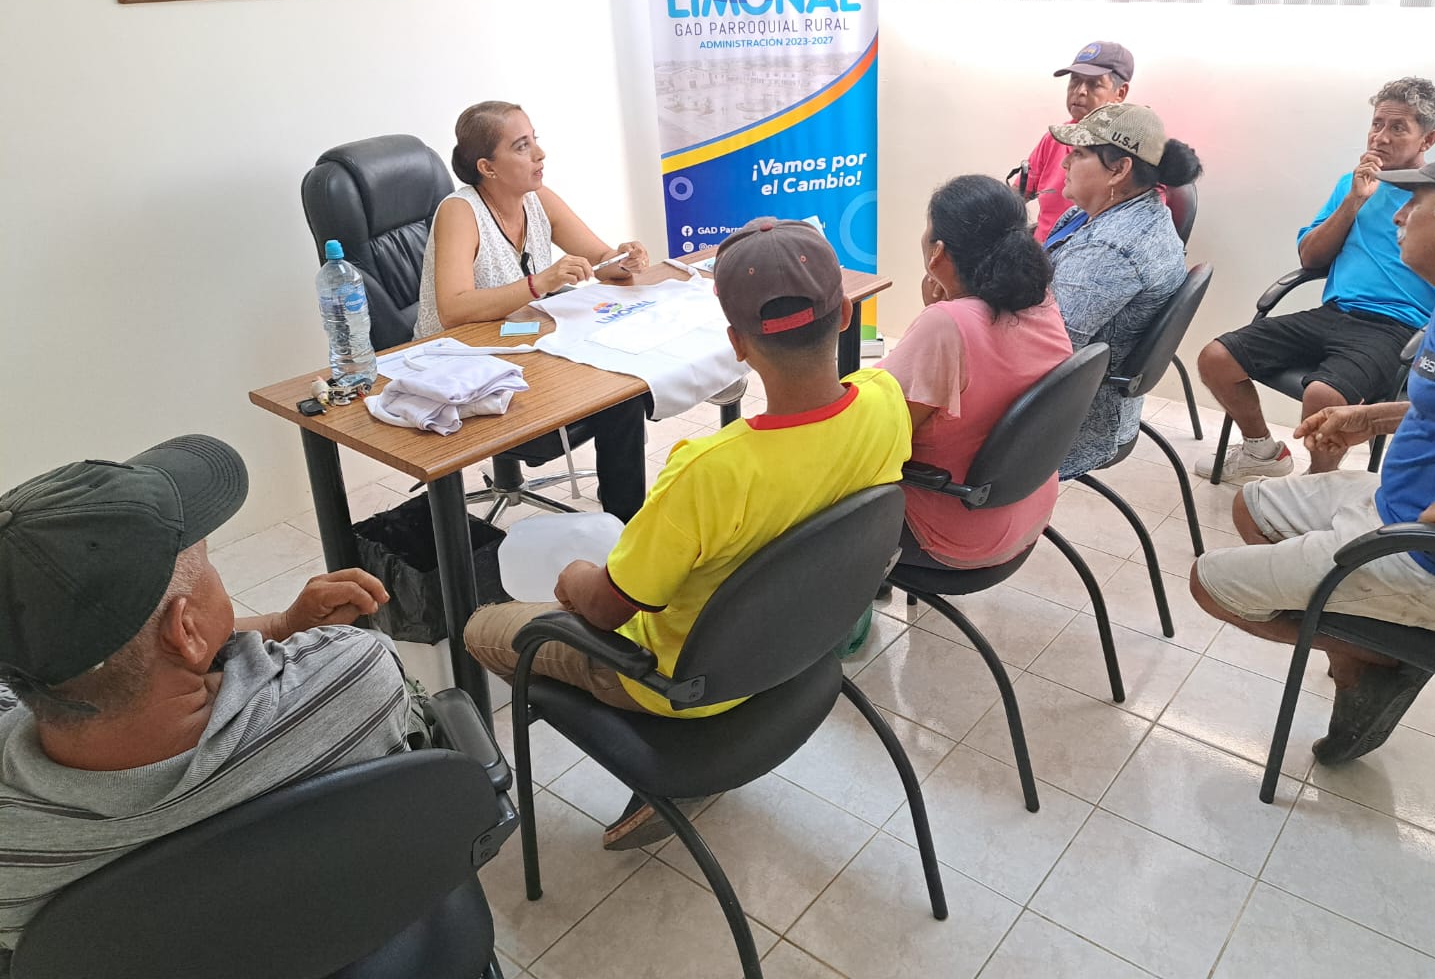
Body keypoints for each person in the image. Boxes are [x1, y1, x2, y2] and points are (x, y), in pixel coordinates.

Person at [463, 219, 911, 849]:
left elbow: (606, 608)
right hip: (800, 639)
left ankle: (660, 757)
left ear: (736, 344)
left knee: (483, 630)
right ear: (843, 317)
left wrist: (574, 579)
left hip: (683, 681)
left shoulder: (709, 471)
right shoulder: (885, 399)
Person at [1191, 144, 1435, 764]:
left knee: (1209, 583)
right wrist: (1367, 417)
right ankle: (1363, 635)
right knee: (1253, 506)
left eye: (1414, 203)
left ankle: (1381, 659)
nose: (1399, 216)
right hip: (1399, 506)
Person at [0, 437, 413, 968]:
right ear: (188, 631)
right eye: (208, 563)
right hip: (348, 937)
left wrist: (282, 624)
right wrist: (281, 630)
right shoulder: (355, 677)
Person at [1193, 77, 1435, 483]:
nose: (1380, 137)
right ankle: (1262, 452)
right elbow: (1311, 257)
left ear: (1428, 139)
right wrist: (1354, 201)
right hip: (1334, 313)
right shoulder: (1352, 185)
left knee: (1323, 395)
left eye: (1397, 127)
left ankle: (1316, 485)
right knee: (1216, 358)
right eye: (1377, 124)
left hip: (1397, 330)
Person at [415, 100, 651, 520]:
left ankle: (626, 521)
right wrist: (538, 283)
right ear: (487, 167)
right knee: (614, 396)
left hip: (522, 347)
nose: (539, 154)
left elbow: (600, 258)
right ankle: (624, 518)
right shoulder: (459, 211)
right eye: (522, 146)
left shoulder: (538, 199)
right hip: (460, 363)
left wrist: (624, 259)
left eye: (534, 141)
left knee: (623, 387)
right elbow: (452, 309)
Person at [880, 175, 1071, 568]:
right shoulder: (1042, 301)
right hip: (1025, 512)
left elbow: (879, 436)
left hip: (954, 530)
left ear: (937, 253)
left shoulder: (948, 326)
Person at [1045, 103, 1204, 479]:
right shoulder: (1099, 214)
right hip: (1073, 397)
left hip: (1070, 420)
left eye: (1078, 154)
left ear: (1119, 170)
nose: (1065, 163)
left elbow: (1050, 350)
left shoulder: (1111, 250)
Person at [1020, 40, 1134, 243]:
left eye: (1094, 84)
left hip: (1088, 256)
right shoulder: (1054, 138)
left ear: (1120, 93)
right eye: (1075, 81)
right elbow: (1019, 193)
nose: (1080, 91)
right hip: (1038, 252)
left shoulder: (1133, 151)